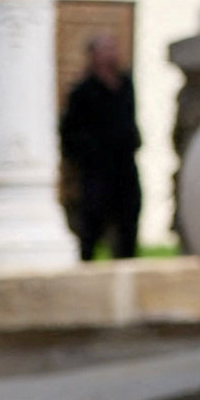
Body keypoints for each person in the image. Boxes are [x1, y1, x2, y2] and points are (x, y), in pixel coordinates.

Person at [58, 32, 141, 261]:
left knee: (128, 226)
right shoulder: (82, 92)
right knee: (91, 228)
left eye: (113, 48)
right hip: (95, 172)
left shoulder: (125, 84)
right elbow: (68, 133)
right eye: (105, 49)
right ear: (93, 55)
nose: (111, 54)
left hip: (124, 167)